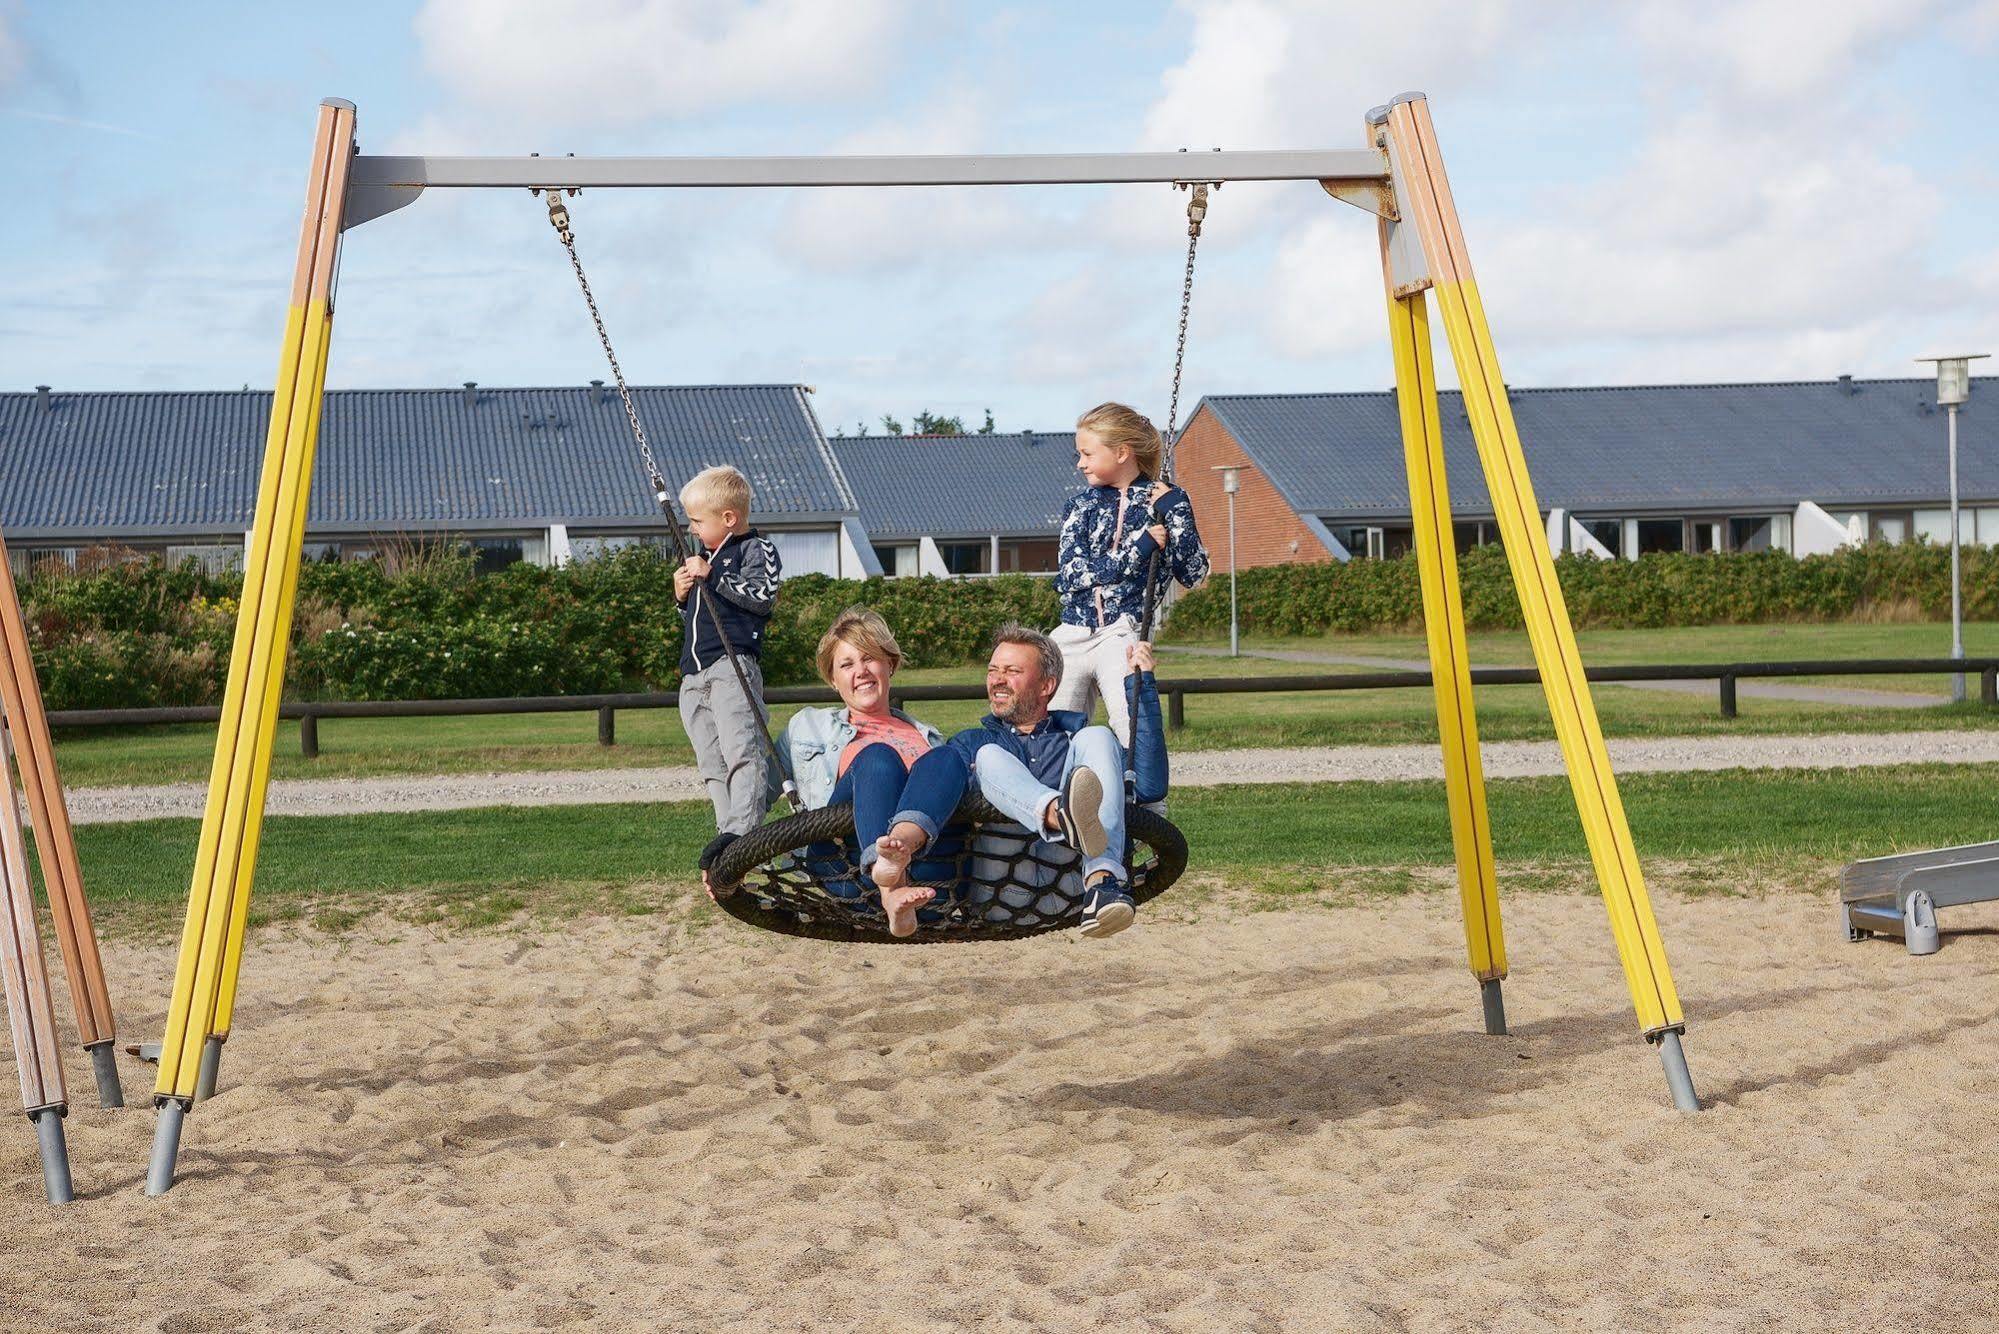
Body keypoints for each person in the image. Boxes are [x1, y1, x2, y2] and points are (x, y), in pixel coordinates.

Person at [947, 623, 1166, 939]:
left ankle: (1102, 881)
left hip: (1073, 892)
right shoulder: (971, 742)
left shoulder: (1076, 744)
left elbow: (1147, 787)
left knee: (1098, 734)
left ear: (1046, 685)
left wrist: (1141, 686)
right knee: (987, 756)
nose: (997, 680)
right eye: (993, 671)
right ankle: (1060, 814)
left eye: (1011, 671)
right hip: (997, 893)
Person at [761, 608, 970, 937]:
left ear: (890, 664)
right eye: (847, 664)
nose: (861, 671)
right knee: (877, 757)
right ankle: (889, 885)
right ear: (833, 679)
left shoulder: (930, 739)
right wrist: (728, 847)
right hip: (845, 873)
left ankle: (896, 873)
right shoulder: (808, 728)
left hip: (930, 886)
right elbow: (758, 787)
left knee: (949, 758)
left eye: (870, 658)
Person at [1051, 401, 1208, 743]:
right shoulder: (1080, 507)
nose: (1080, 463)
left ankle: (1148, 797)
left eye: (1087, 454)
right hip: (1073, 629)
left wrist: (1177, 512)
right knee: (1052, 730)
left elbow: (1193, 574)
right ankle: (1062, 795)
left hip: (1124, 631)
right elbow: (1072, 575)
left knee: (1133, 727)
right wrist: (1136, 551)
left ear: (1122, 452)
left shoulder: (1165, 501)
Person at [675, 465, 783, 862]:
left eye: (696, 521)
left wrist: (714, 576)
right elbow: (699, 621)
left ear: (729, 519)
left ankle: (744, 830)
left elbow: (761, 596)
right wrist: (682, 597)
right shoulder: (706, 557)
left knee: (742, 750)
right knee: (711, 760)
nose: (691, 529)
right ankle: (726, 836)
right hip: (694, 675)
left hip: (731, 667)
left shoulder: (756, 550)